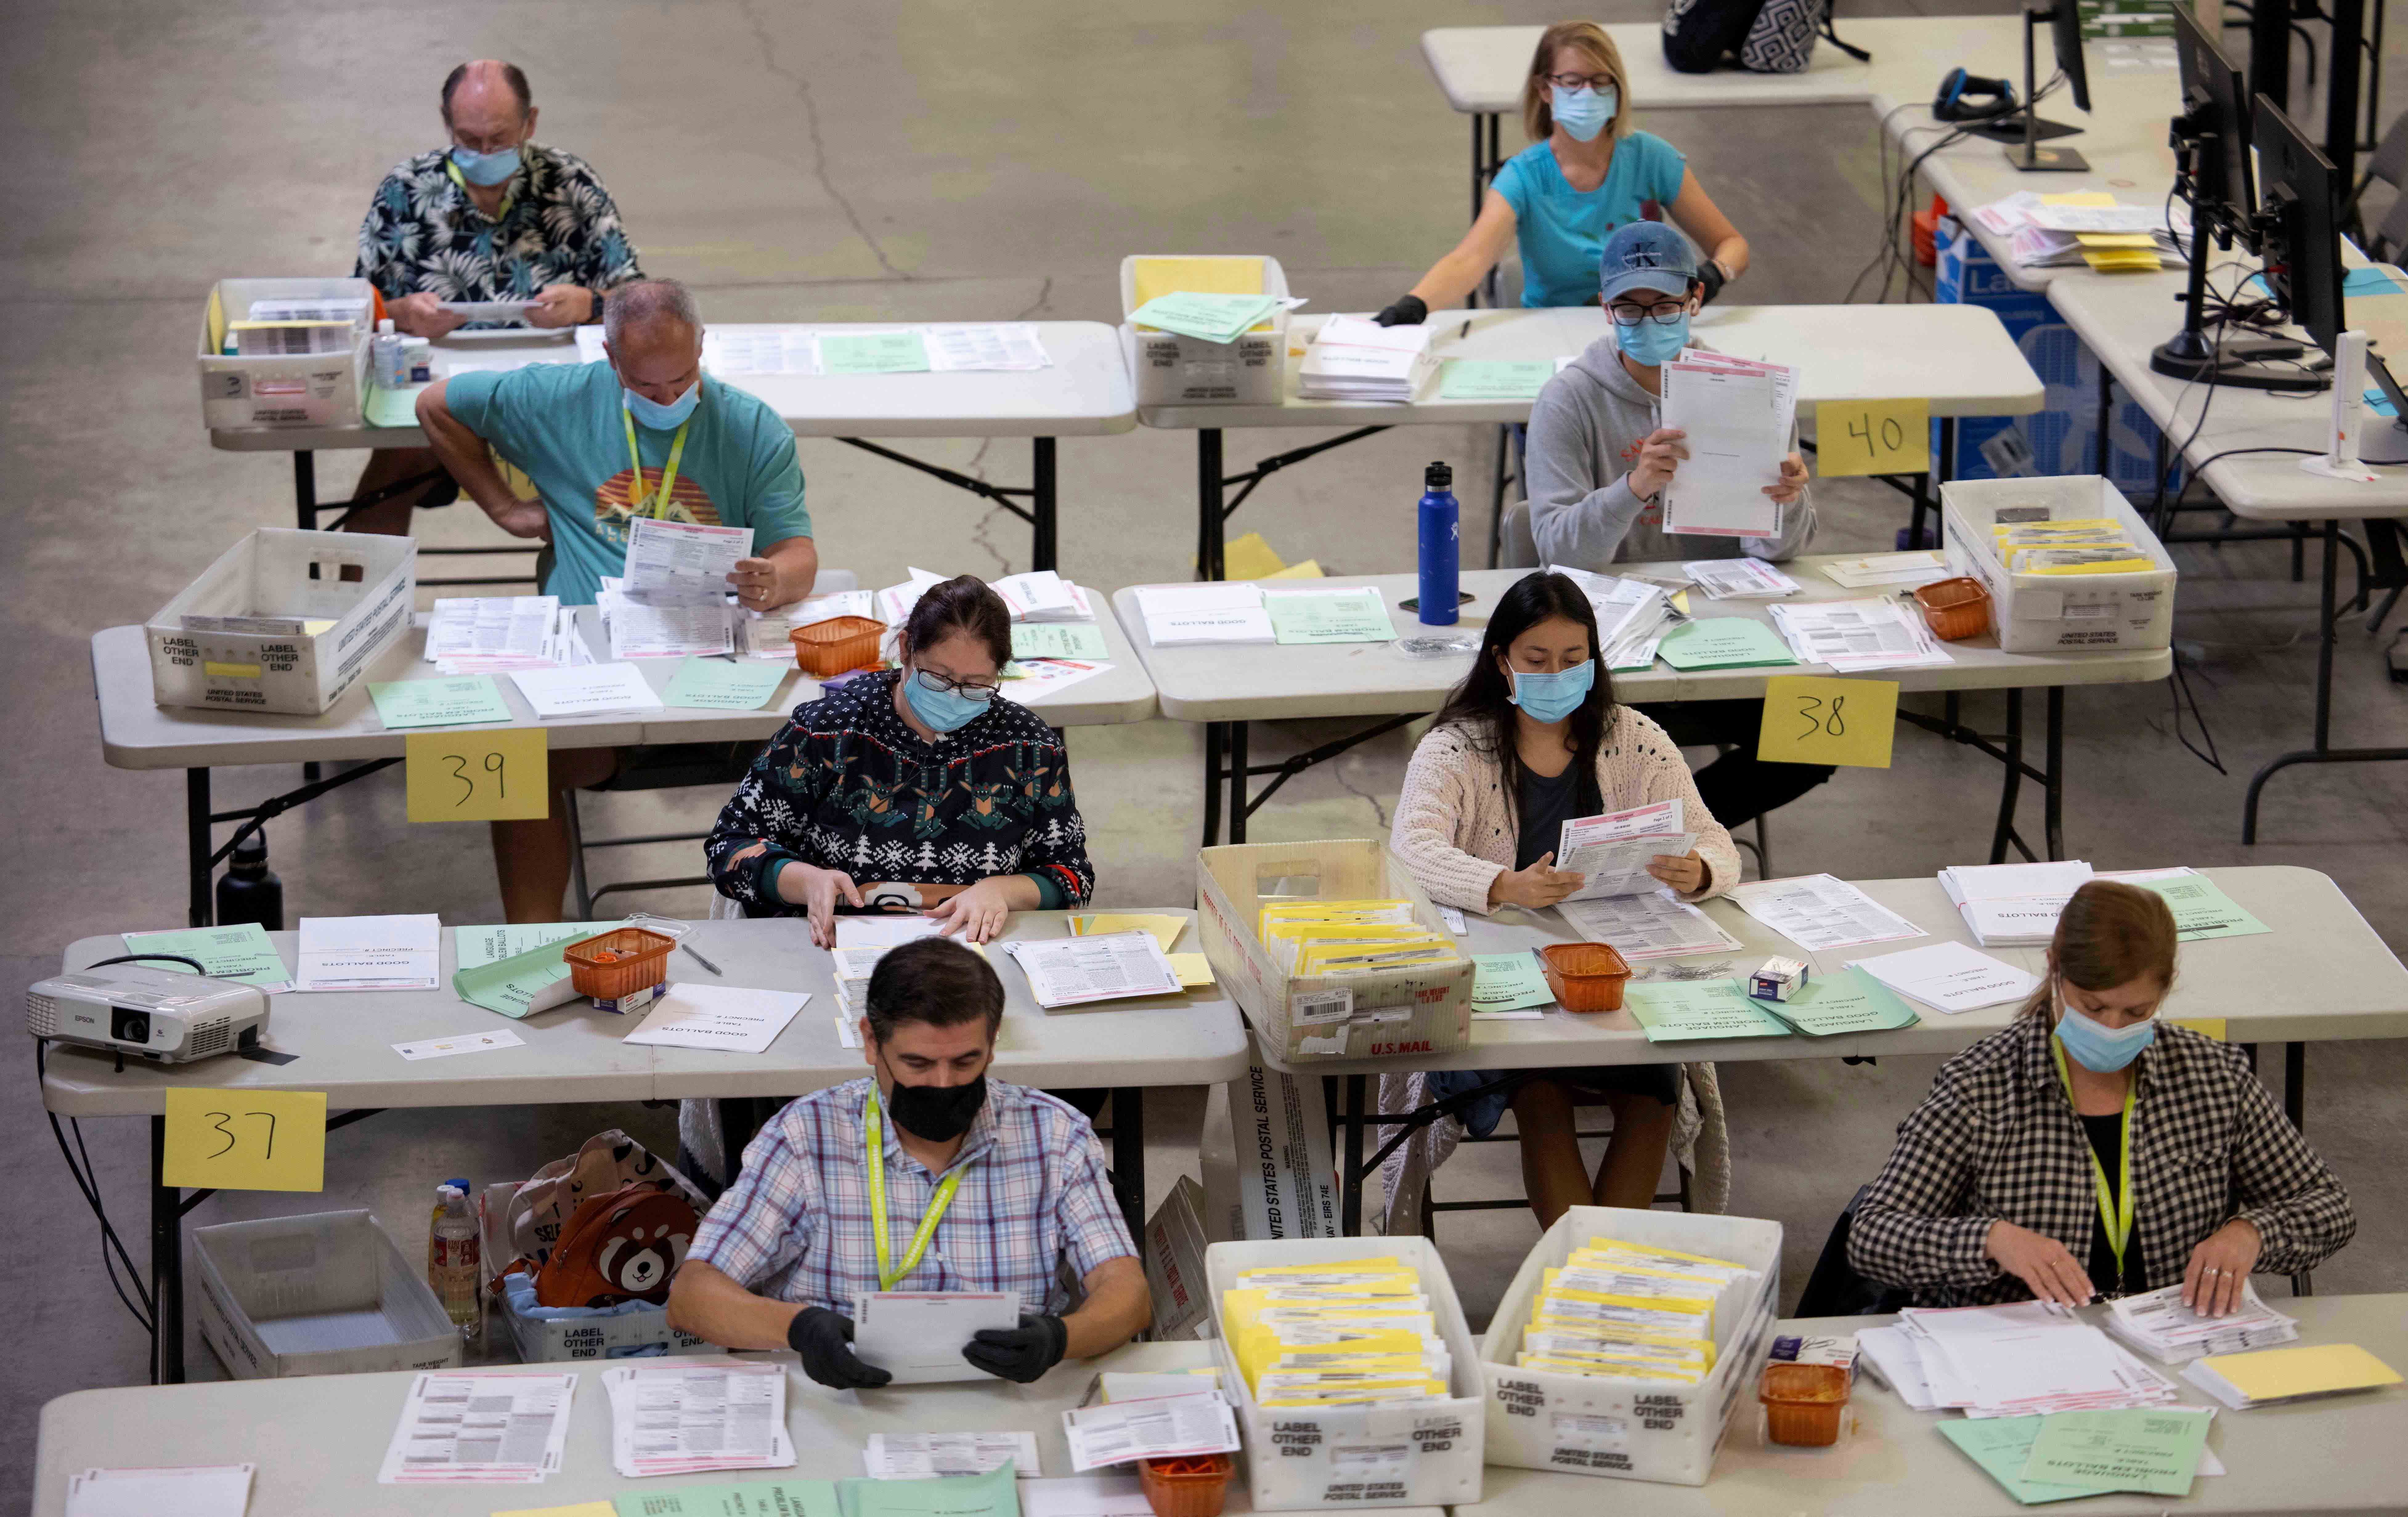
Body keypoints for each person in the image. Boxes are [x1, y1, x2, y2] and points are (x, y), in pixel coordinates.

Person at [417, 277, 817, 921]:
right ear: (609, 357)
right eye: (645, 386)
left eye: (682, 379)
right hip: (594, 665)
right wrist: (505, 509)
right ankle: (533, 938)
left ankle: (811, 921)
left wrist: (773, 577)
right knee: (508, 757)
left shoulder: (750, 427)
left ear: (702, 346)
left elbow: (799, 553)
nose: (667, 398)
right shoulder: (556, 399)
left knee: (835, 739)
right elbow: (436, 404)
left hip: (718, 664)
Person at [1384, 571, 1741, 1227]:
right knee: (1539, 1091)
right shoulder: (1456, 747)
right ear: (1502, 661)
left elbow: (1714, 838)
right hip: (1509, 981)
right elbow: (1411, 848)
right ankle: (1596, 1270)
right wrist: (1504, 884)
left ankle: (1594, 1268)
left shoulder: (1633, 736)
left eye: (1573, 659)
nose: (1557, 675)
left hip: (1613, 971)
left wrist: (1699, 871)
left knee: (1655, 1093)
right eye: (1537, 659)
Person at [1849, 881, 2355, 1314]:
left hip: (2169, 1340)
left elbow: (2328, 1206)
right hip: (2019, 1348)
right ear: (2054, 970)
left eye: (2136, 1012)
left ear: (2166, 991)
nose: (2112, 1028)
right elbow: (1872, 1235)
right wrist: (1990, 1240)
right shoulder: (1981, 1087)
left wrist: (2251, 1232)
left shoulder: (2214, 1078)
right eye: (2093, 1008)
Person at [667, 937, 1151, 1387]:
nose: (943, 1084)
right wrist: (798, 1328)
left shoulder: (1056, 1137)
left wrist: (1060, 1340)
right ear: (871, 1041)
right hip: (842, 1396)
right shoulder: (804, 1137)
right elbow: (693, 1295)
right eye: (917, 1064)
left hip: (1007, 1394)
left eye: (965, 1062)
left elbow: (1127, 1292)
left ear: (993, 1043)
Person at [1523, 220, 1824, 829]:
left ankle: (1666, 837)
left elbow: (1781, 553)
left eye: (1663, 306)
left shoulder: (1750, 392)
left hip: (1722, 634)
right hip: (1615, 651)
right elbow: (1557, 551)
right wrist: (1633, 487)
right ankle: (1640, 836)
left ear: (1695, 299)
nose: (1648, 321)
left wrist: (1785, 501)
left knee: (1820, 736)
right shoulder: (1568, 400)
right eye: (1629, 309)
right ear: (1605, 310)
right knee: (1592, 756)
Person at [705, 575, 1094, 948]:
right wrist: (803, 881)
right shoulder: (828, 731)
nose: (954, 696)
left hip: (969, 951)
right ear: (906, 649)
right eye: (938, 678)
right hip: (830, 944)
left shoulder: (1029, 748)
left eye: (977, 685)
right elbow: (729, 847)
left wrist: (1003, 890)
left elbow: (1072, 876)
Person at [348, 61, 647, 535]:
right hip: (443, 397)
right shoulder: (406, 190)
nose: (485, 153)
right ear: (446, 123)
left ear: (531, 123)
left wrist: (589, 305)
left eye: (500, 140)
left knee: (624, 469)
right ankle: (368, 591)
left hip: (557, 393)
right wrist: (402, 314)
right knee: (388, 478)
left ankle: (589, 570)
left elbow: (642, 305)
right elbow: (354, 309)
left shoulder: (572, 183)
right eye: (469, 140)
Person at [1373, 20, 1748, 321]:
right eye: (1572, 82)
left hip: (1640, 326)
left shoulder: (1652, 159)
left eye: (1601, 81)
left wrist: (1713, 275)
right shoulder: (1524, 177)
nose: (1587, 92)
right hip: (1552, 331)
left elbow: (1732, 245)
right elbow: (1470, 260)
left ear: (1617, 88)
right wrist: (1415, 305)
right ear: (1545, 90)